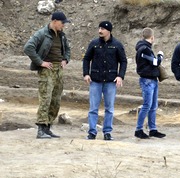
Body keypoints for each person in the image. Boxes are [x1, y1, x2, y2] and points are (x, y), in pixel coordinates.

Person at [23, 11, 72, 139]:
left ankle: (48, 128)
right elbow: (28, 48)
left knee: (56, 100)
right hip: (47, 70)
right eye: (62, 23)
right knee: (45, 99)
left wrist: (65, 59)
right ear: (55, 21)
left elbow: (67, 49)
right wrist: (40, 62)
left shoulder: (61, 35)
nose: (63, 26)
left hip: (58, 70)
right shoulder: (42, 34)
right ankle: (41, 129)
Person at [82, 21, 127, 141]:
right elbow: (86, 59)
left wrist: (120, 76)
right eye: (99, 28)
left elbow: (123, 61)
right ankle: (92, 132)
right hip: (95, 81)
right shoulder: (94, 44)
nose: (100, 31)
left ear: (109, 30)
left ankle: (107, 132)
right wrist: (86, 73)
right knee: (93, 108)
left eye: (102, 28)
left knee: (109, 108)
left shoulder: (117, 44)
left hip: (110, 81)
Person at [134, 28, 166, 139]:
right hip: (147, 80)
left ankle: (153, 129)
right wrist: (161, 55)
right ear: (152, 38)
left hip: (151, 80)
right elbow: (155, 62)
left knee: (152, 106)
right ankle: (138, 129)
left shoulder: (144, 48)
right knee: (147, 105)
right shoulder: (144, 49)